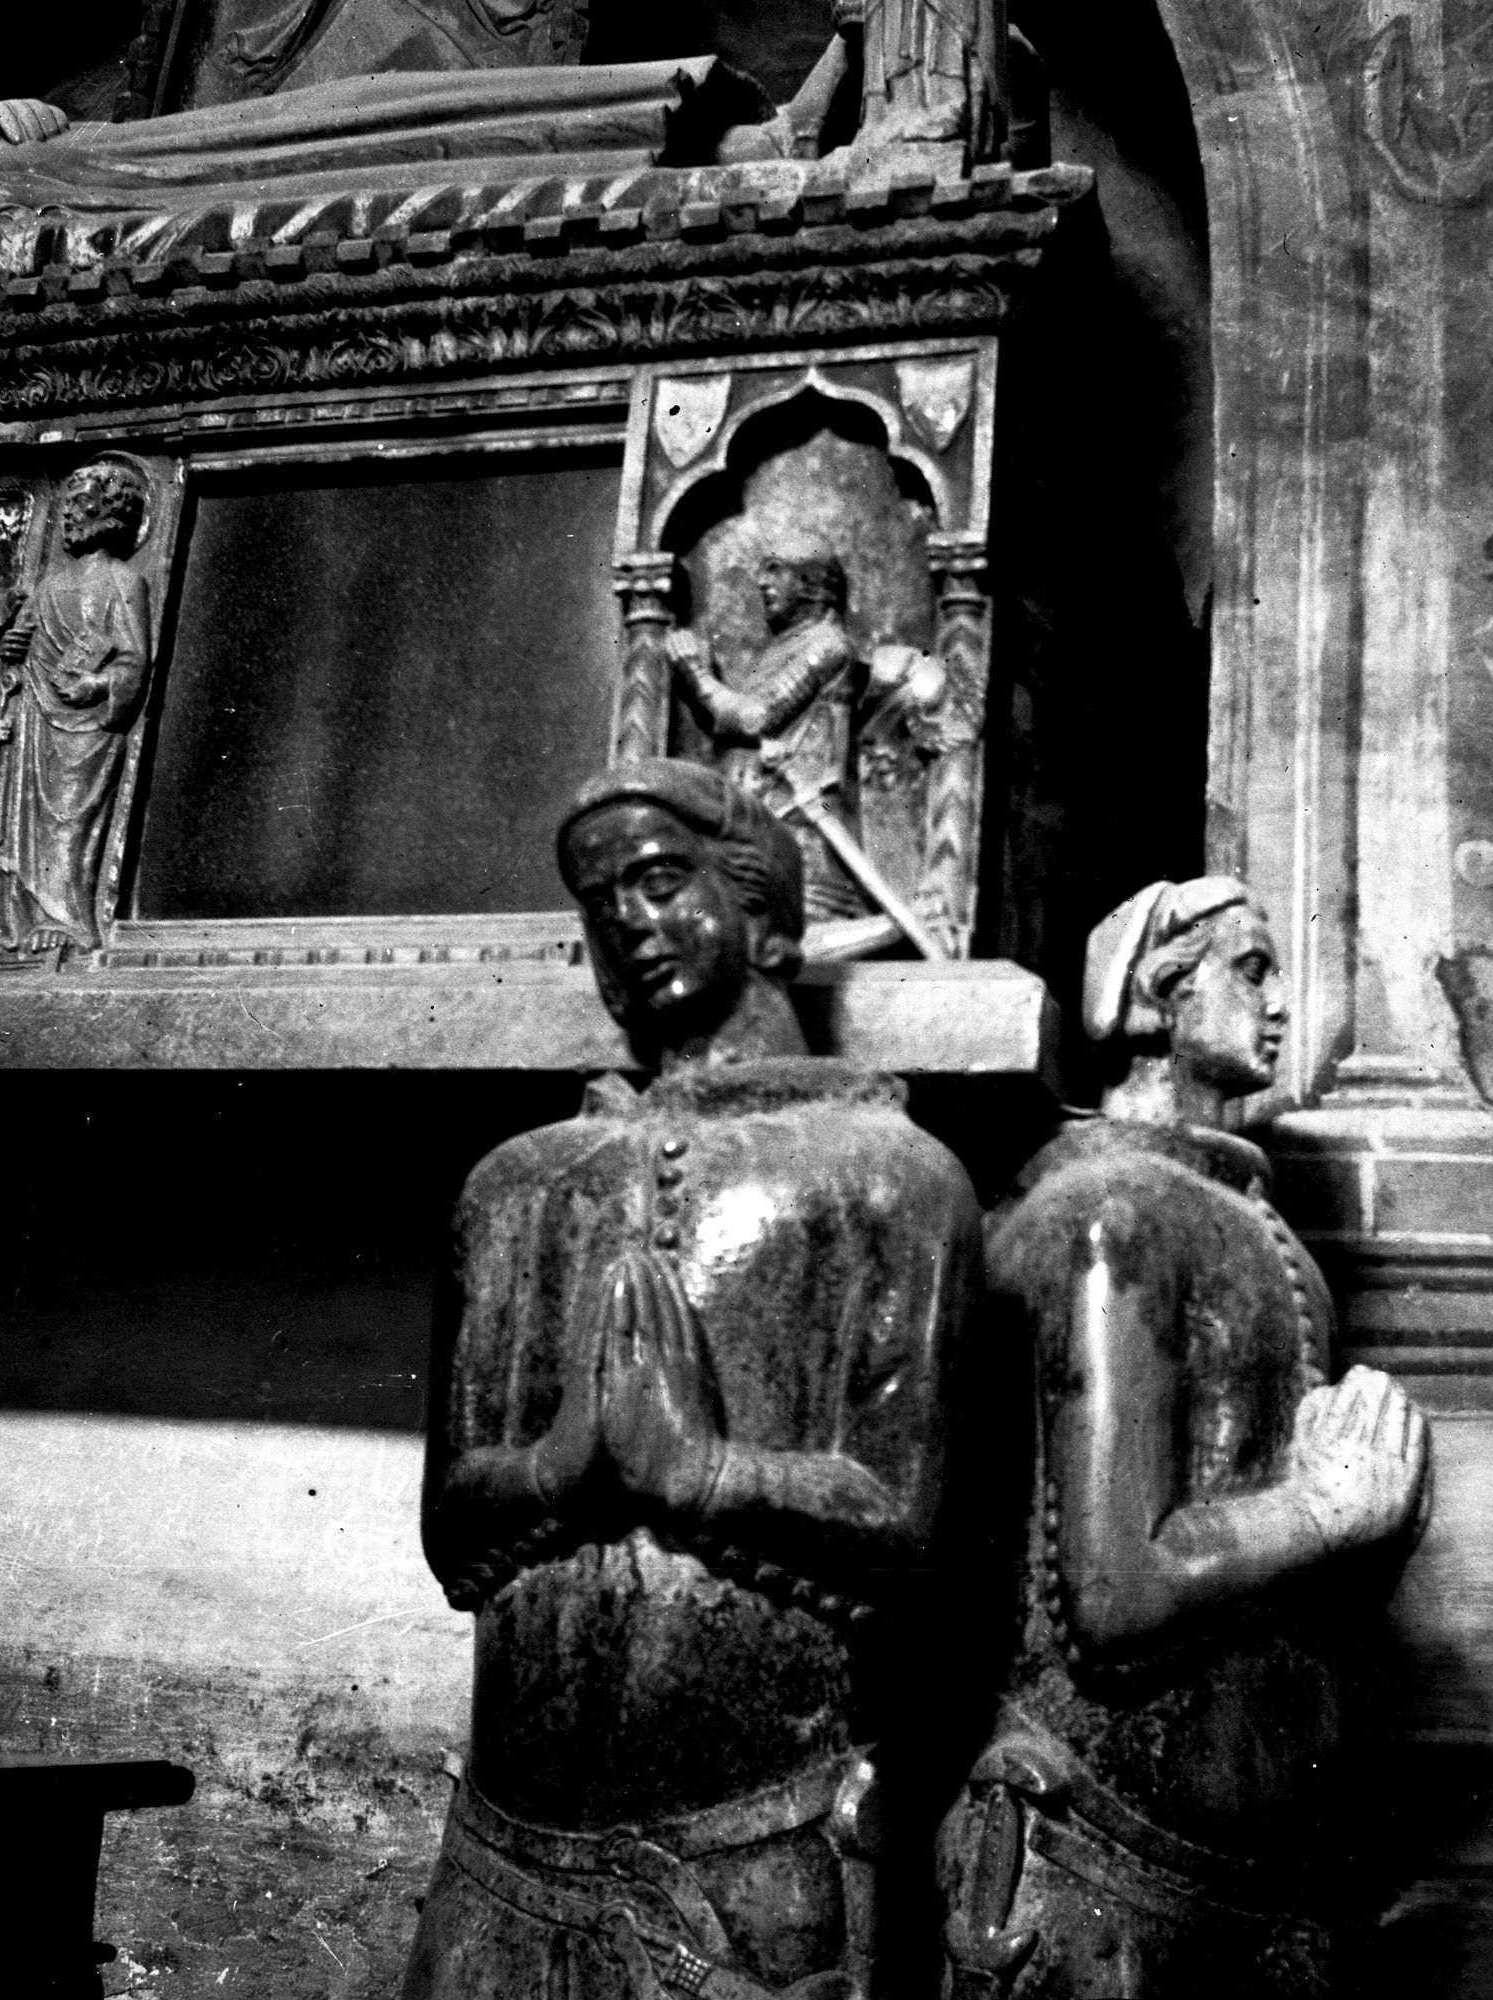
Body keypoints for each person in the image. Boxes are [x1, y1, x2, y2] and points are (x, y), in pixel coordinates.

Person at [403, 759, 982, 1998]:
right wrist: (562, 1462)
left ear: (765, 909)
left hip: (753, 1849)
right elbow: (452, 1528)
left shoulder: (890, 1178)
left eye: (662, 881)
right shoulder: (518, 1188)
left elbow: (907, 1527)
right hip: (503, 1848)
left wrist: (702, 1470)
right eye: (600, 903)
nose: (626, 920)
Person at [942, 878, 1432, 1998]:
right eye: (1249, 968)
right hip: (1107, 1867)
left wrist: (1377, 1516)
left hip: (1251, 1871)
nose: (1278, 1004)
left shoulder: (1254, 1235)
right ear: (1159, 995)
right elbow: (1113, 1598)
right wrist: (1324, 1510)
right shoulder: (1115, 1213)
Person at [0, 459, 151, 959]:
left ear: (110, 513)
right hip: (34, 715)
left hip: (86, 724)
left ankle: (64, 917)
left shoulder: (123, 580)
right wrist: (12, 655)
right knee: (17, 815)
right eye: (66, 505)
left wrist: (98, 683)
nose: (69, 515)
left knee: (70, 816)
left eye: (79, 504)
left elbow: (134, 659)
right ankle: (9, 919)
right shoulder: (48, 584)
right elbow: (20, 651)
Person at [666, 535, 869, 924]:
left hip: (801, 838)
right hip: (754, 831)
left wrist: (694, 671)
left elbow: (756, 718)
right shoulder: (779, 651)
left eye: (775, 570)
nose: (762, 582)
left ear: (812, 584)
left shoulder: (828, 645)